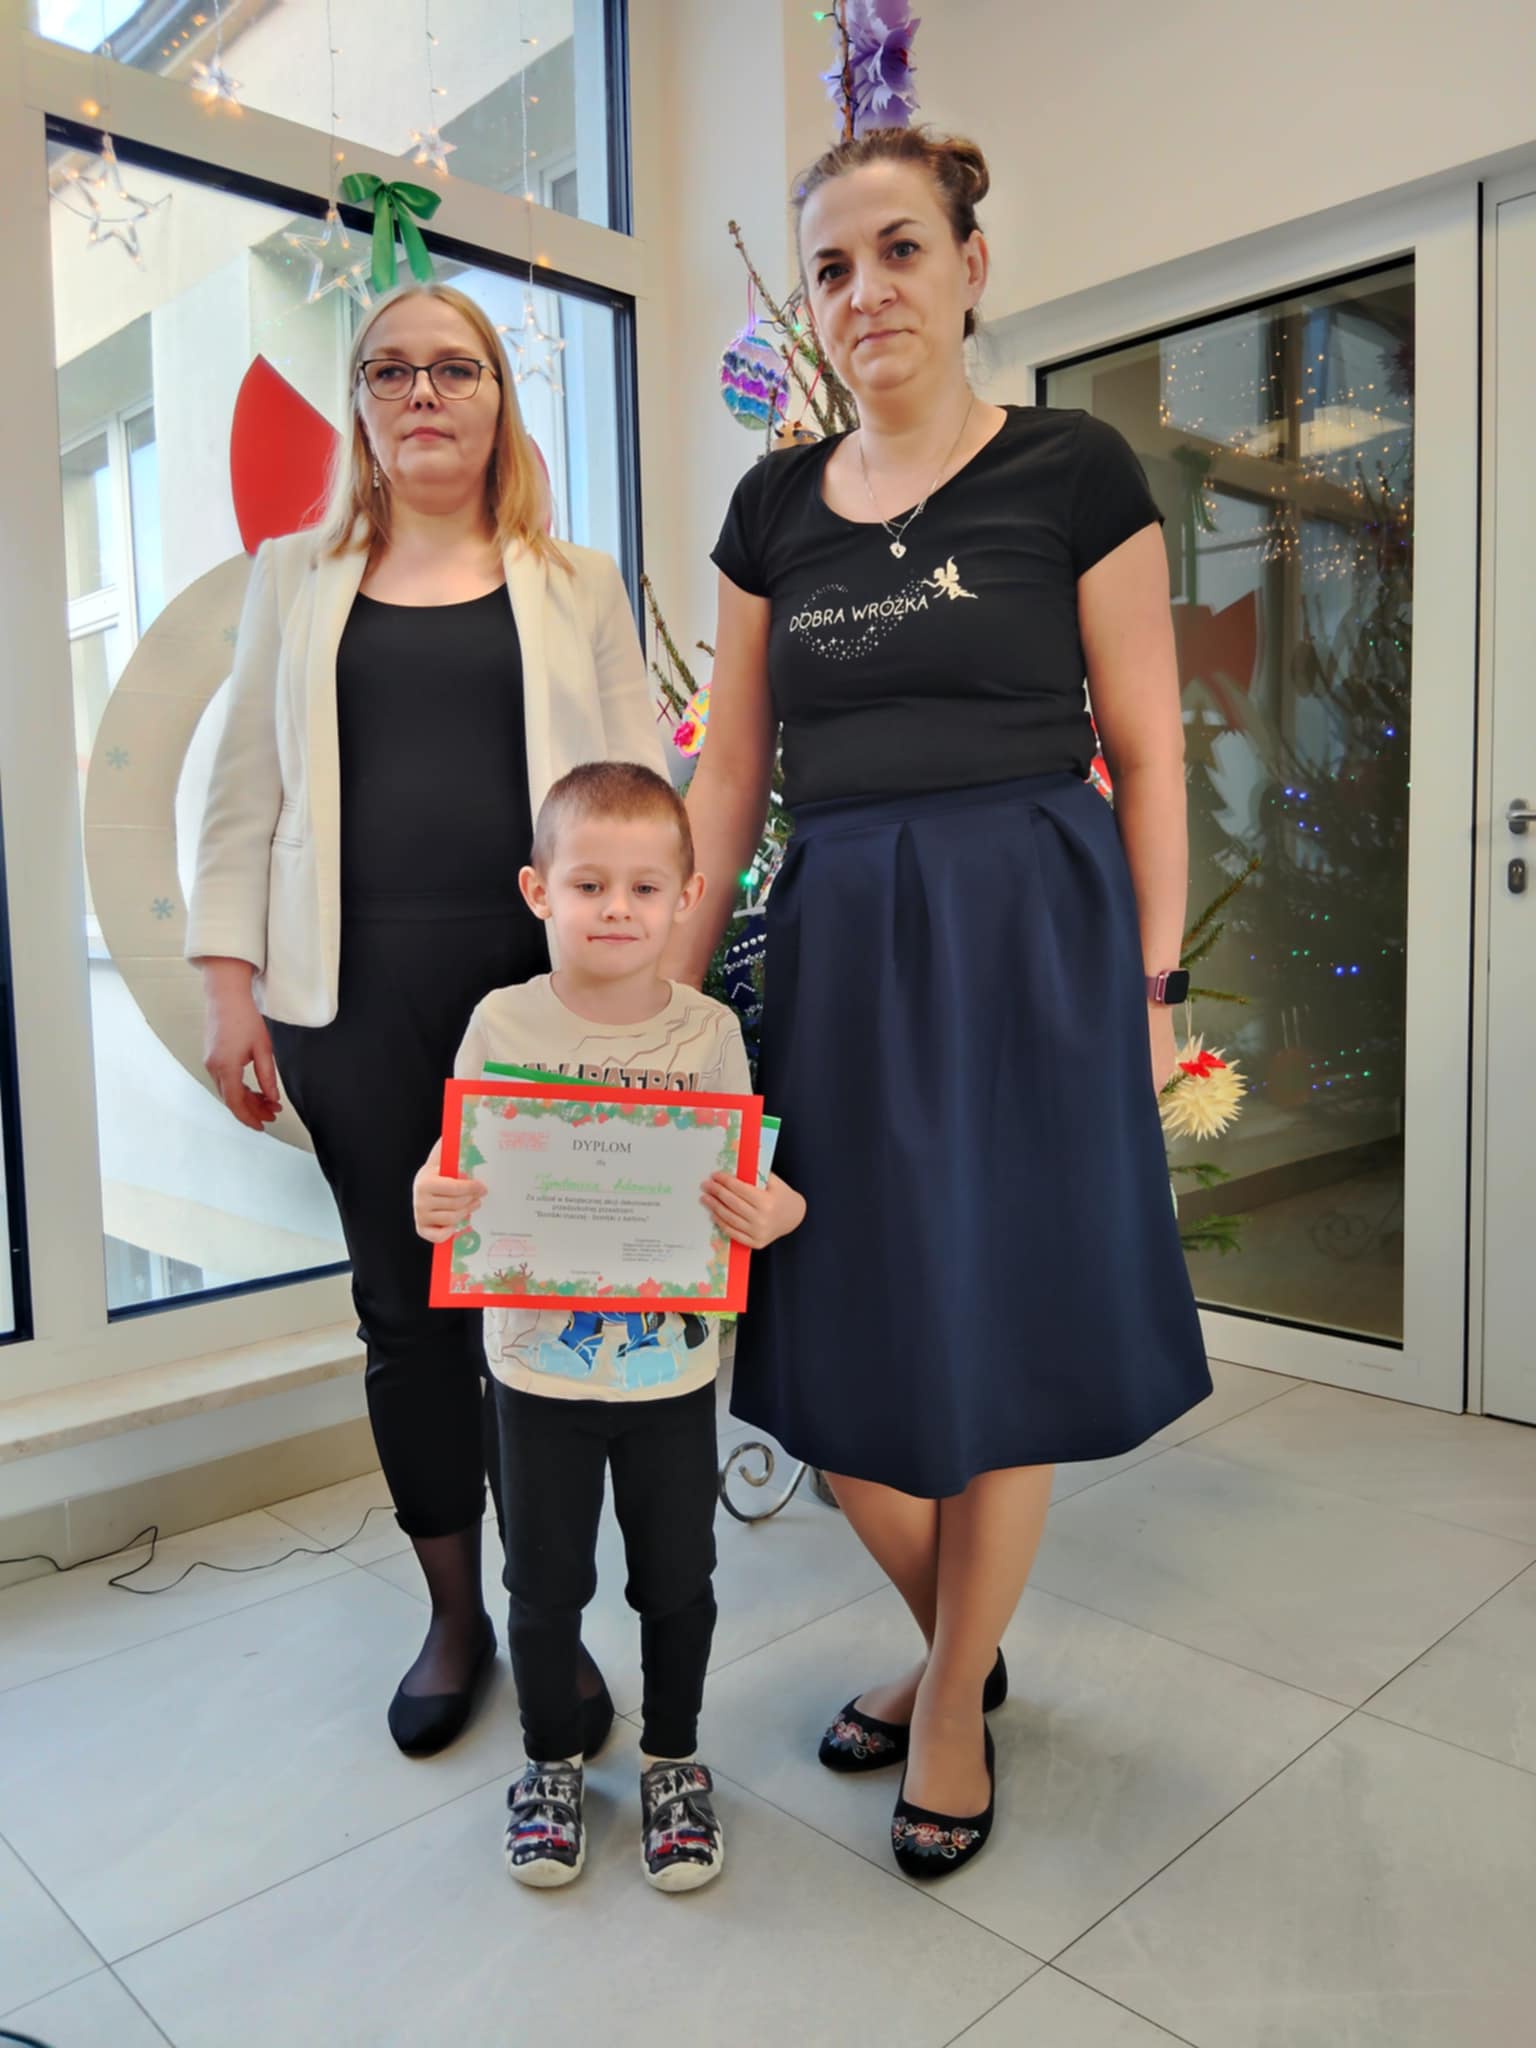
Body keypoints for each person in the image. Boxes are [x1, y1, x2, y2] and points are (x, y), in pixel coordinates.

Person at [674, 126, 1212, 1879]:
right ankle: (961, 1645)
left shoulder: (1072, 470)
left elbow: (1148, 750)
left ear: (970, 267)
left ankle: (953, 1700)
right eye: (833, 266)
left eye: (900, 250)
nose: (866, 291)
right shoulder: (770, 512)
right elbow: (729, 776)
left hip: (1033, 932)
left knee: (1005, 1316)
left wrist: (1154, 984)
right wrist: (666, 1007)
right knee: (833, 1334)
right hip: (839, 945)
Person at [185, 283, 667, 1759]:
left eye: (453, 369)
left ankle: (547, 1620)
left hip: (539, 1000)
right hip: (354, 999)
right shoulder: (294, 577)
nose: (422, 395)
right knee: (406, 1314)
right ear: (361, 404)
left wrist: (649, 988)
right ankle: (455, 1616)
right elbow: (245, 792)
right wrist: (227, 983)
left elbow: (641, 790)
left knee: (543, 1309)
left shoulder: (576, 581)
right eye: (389, 371)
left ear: (498, 397)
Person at [412, 762, 805, 1891]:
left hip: (669, 1374)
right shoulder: (502, 1021)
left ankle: (674, 1757)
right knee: (543, 1584)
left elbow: (741, 1173)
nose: (617, 909)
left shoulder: (709, 1032)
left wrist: (775, 1212)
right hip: (534, 1370)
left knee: (678, 1578)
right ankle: (547, 1765)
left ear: (688, 896)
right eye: (589, 884)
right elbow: (457, 1160)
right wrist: (431, 1197)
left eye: (644, 886)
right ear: (539, 890)